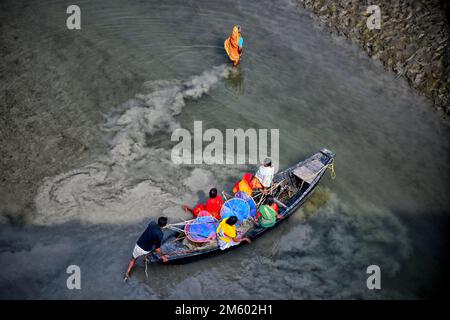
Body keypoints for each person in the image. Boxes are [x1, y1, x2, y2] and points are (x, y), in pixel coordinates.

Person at [124, 217, 168, 281]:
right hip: (145, 250)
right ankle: (145, 259)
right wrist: (163, 256)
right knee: (149, 251)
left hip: (138, 245)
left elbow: (153, 227)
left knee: (133, 259)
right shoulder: (160, 234)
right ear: (165, 225)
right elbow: (157, 248)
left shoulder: (152, 223)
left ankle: (126, 274)